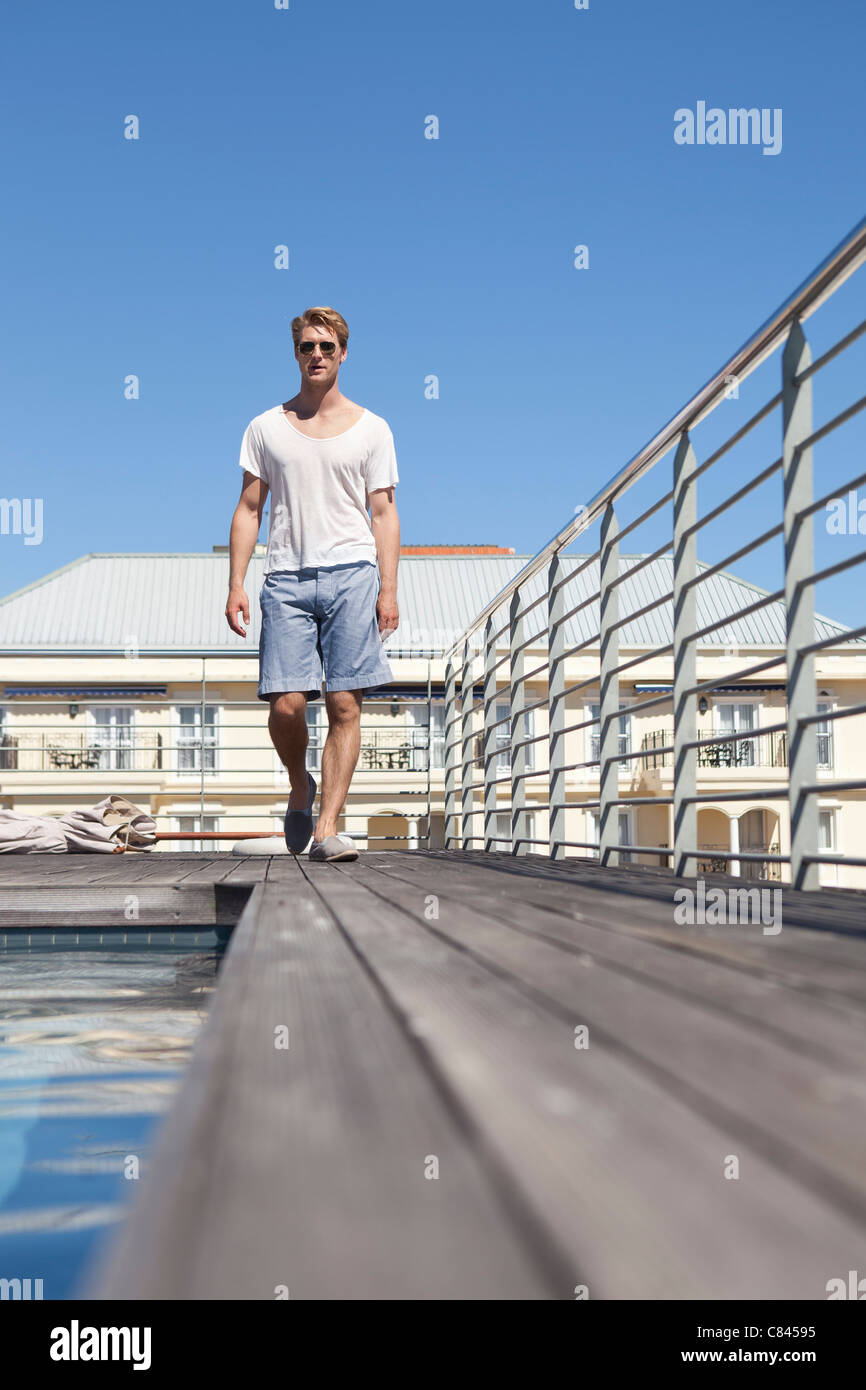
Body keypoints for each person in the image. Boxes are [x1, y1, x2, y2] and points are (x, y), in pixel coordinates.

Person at [226, 306, 400, 861]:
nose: (317, 355)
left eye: (327, 347)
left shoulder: (374, 429)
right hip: (285, 579)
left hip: (354, 574)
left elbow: (384, 513)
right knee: (286, 705)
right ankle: (300, 784)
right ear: (295, 354)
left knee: (345, 702)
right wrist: (236, 583)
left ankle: (327, 827)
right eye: (307, 347)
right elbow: (250, 508)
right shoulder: (265, 428)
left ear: (343, 353)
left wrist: (389, 589)